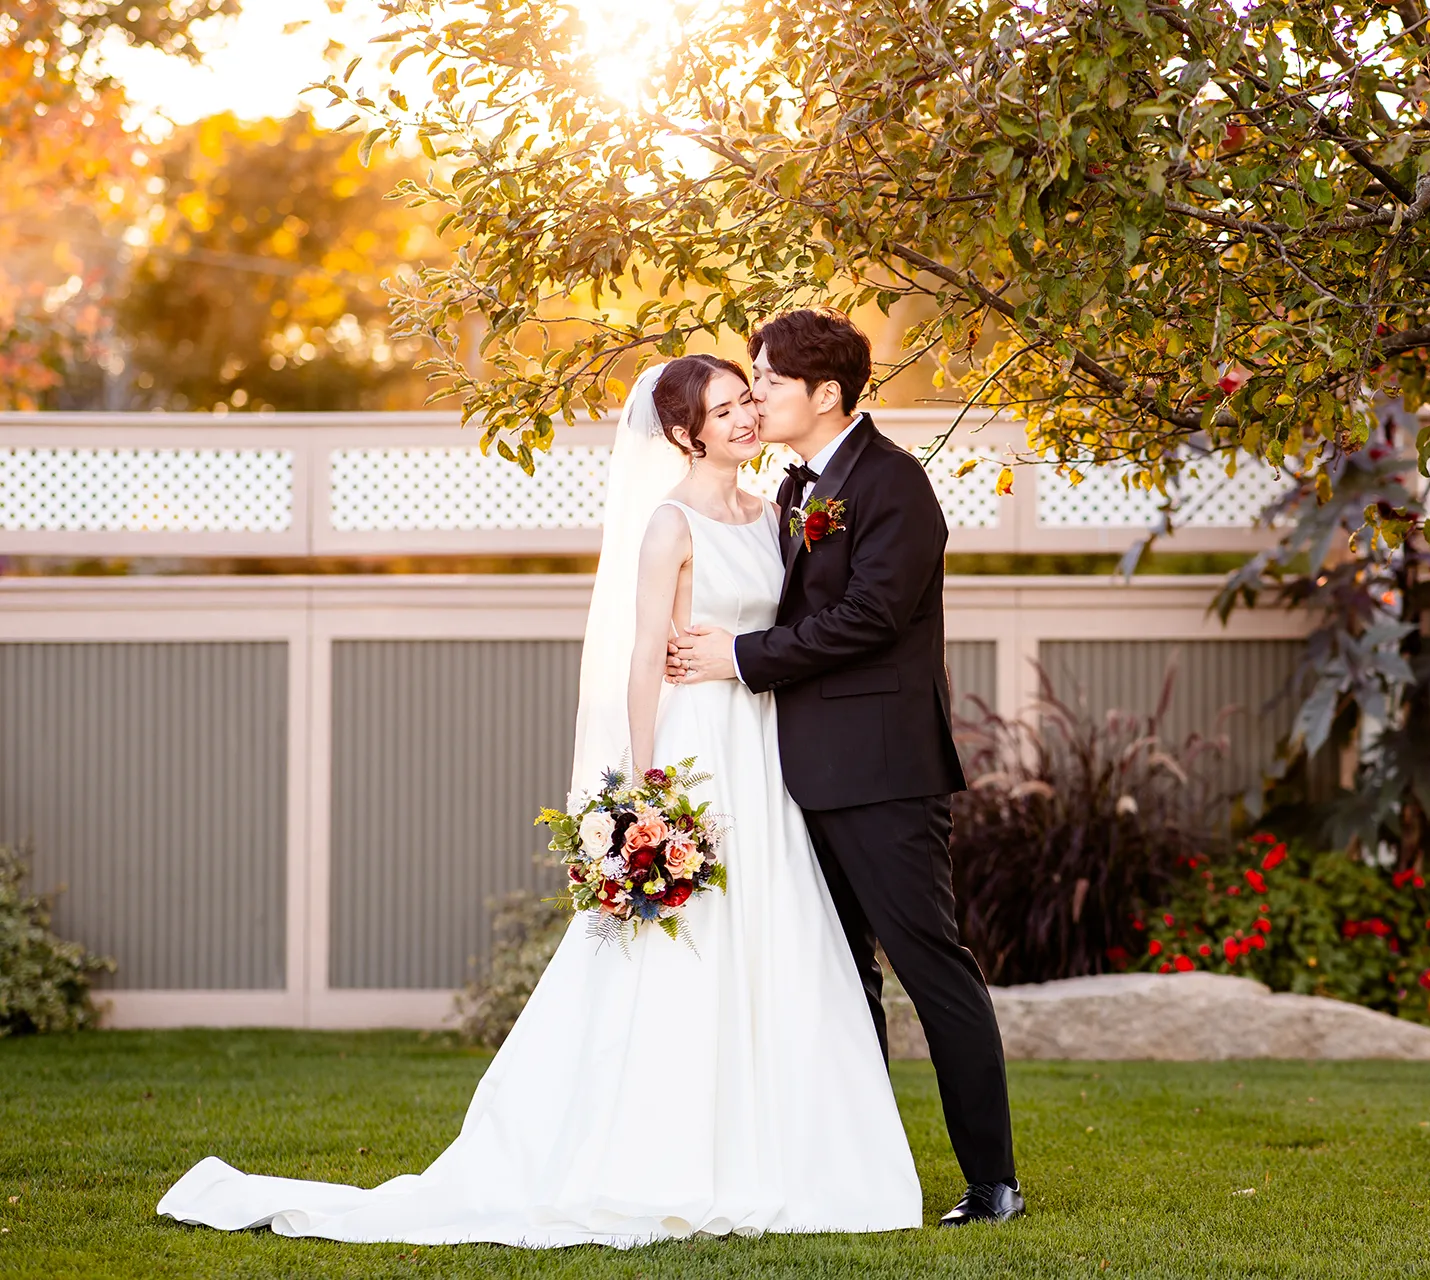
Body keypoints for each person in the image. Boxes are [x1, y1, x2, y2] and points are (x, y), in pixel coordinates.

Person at [155, 353, 924, 1246]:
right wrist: (648, 788)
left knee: (779, 934)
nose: (748, 415)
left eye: (749, 398)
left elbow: (797, 627)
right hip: (699, 747)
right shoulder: (669, 525)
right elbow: (643, 656)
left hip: (766, 744)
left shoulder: (778, 513)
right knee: (689, 952)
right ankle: (664, 1149)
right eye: (726, 407)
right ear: (685, 432)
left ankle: (786, 1150)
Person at [667, 309, 1022, 1226]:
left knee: (931, 967)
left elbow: (869, 619)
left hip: (886, 774)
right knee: (842, 978)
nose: (757, 396)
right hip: (799, 777)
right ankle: (861, 1172)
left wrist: (740, 656)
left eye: (771, 381)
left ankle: (993, 1183)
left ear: (825, 394)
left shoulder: (893, 484)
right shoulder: (795, 490)